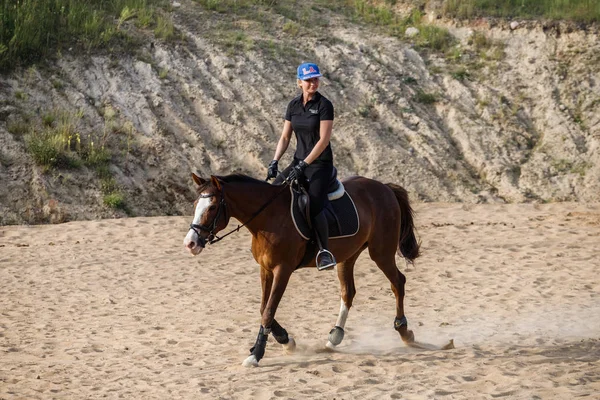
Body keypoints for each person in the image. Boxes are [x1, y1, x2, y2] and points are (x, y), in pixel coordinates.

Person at [266, 62, 337, 271]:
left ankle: (324, 251)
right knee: (274, 193)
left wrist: (305, 163)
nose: (313, 83)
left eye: (315, 79)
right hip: (298, 162)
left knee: (314, 204)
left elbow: (323, 140)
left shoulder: (325, 105)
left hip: (320, 165)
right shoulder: (293, 106)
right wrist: (275, 161)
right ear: (299, 82)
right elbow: (285, 137)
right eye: (308, 80)